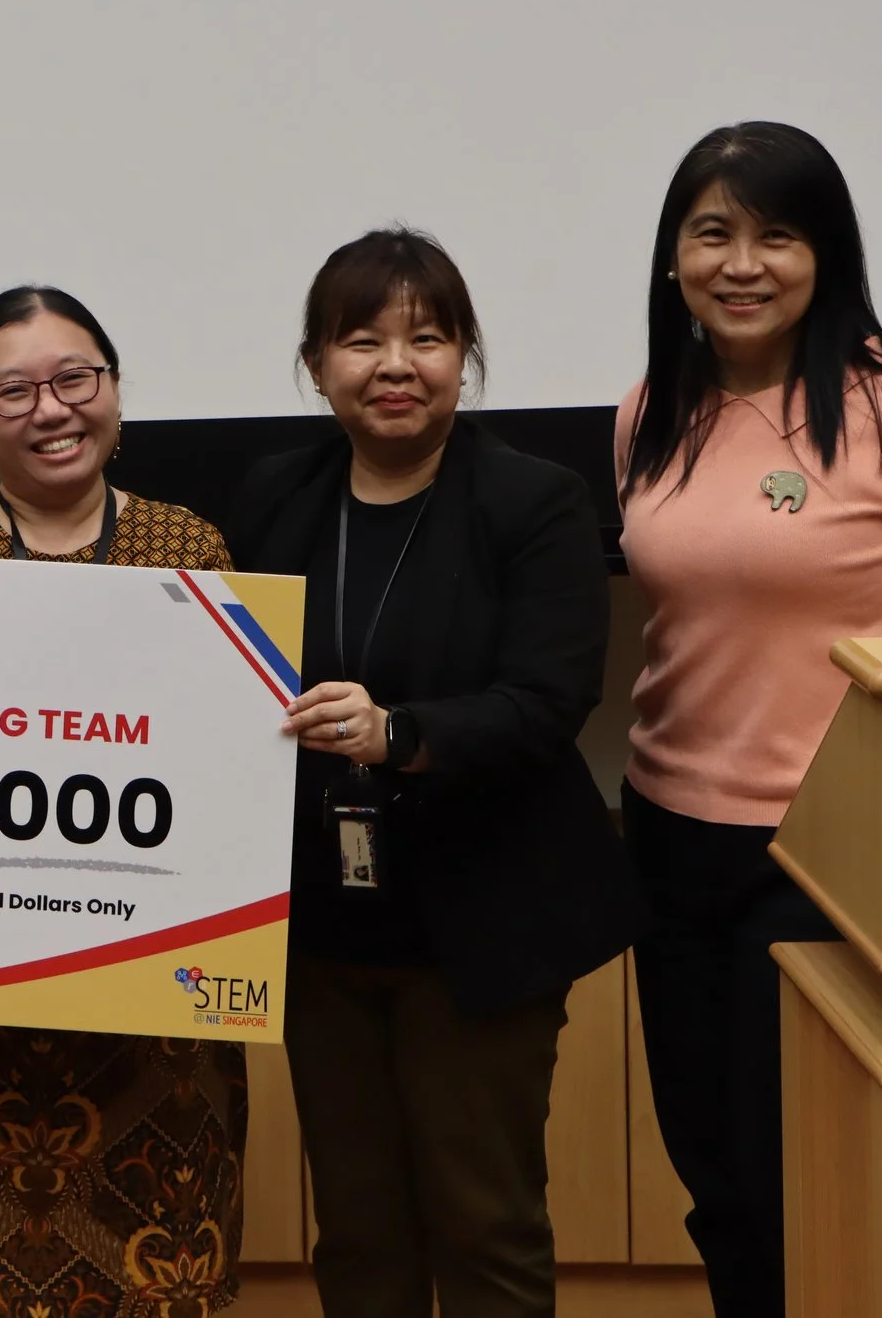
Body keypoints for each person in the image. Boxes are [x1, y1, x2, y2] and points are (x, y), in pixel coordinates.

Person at [615, 123, 882, 1318]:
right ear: (673, 255)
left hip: (840, 853)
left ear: (824, 253)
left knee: (807, 1178)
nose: (742, 262)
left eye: (776, 234)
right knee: (715, 1181)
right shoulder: (650, 409)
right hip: (670, 830)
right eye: (713, 231)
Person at [224, 229, 639, 1318]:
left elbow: (548, 703)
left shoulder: (532, 501)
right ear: (316, 364)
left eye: (427, 336)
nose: (394, 364)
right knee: (357, 1229)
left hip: (481, 922)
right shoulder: (274, 496)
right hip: (322, 929)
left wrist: (398, 730)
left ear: (465, 356)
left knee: (485, 1222)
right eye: (361, 338)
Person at [0, 286, 247, 1318]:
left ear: (114, 392)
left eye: (76, 378)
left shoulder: (189, 547)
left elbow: (224, 778)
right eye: (13, 389)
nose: (50, 407)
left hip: (154, 1027)